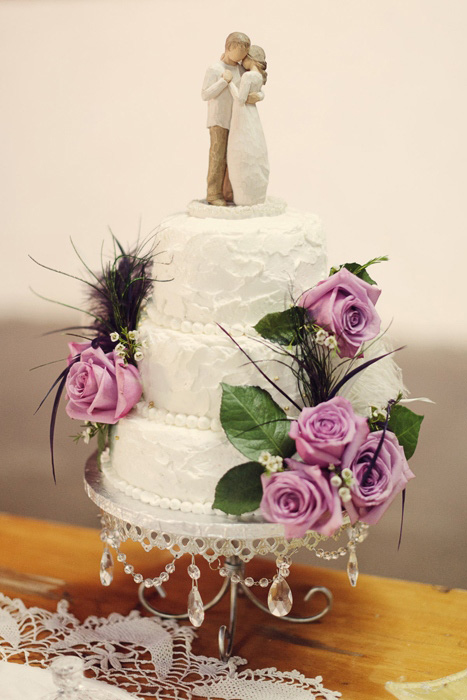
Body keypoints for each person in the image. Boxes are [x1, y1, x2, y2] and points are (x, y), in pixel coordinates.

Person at [201, 32, 263, 206]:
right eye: (240, 52)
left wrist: (258, 95)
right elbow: (205, 94)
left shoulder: (241, 70)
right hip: (219, 119)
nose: (243, 58)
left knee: (234, 156)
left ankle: (229, 192)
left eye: (245, 54)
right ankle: (213, 193)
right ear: (229, 48)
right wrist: (223, 81)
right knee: (218, 156)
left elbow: (254, 85)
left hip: (238, 120)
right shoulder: (215, 69)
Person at [224, 46, 269, 206]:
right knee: (254, 144)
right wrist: (260, 95)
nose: (242, 61)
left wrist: (228, 82)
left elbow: (240, 98)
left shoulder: (248, 76)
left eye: (245, 58)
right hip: (252, 114)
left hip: (242, 114)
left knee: (241, 148)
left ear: (251, 58)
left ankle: (244, 196)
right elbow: (256, 94)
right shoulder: (258, 77)